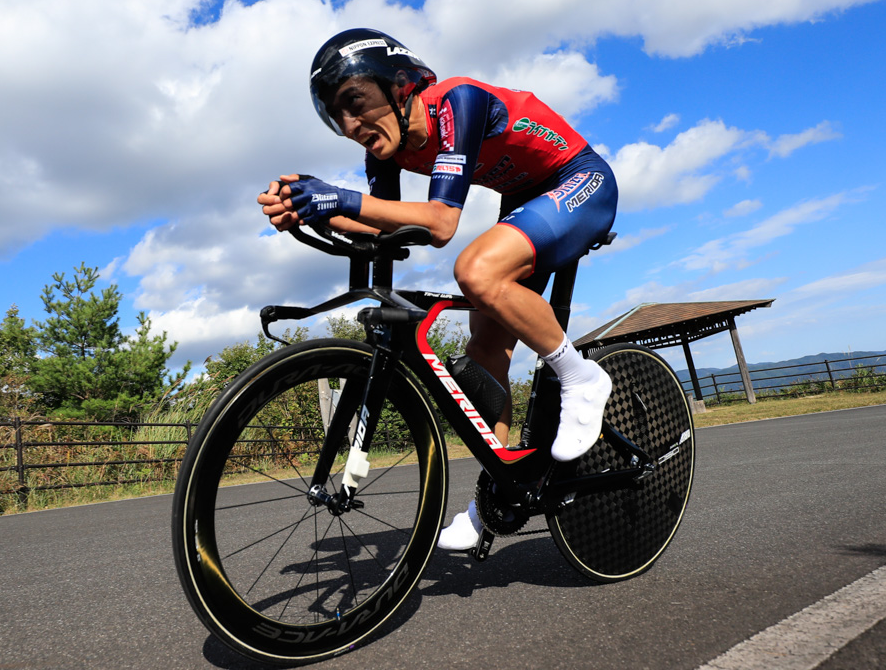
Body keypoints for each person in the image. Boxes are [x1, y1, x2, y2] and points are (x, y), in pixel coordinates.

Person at [258, 28, 618, 551]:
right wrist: (315, 211)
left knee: (476, 271)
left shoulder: (458, 101)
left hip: (580, 180)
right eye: (336, 116)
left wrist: (340, 198)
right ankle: (498, 493)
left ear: (400, 86)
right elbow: (386, 225)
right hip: (524, 198)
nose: (349, 124)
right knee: (486, 348)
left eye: (354, 102)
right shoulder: (385, 152)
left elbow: (440, 223)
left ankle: (581, 377)